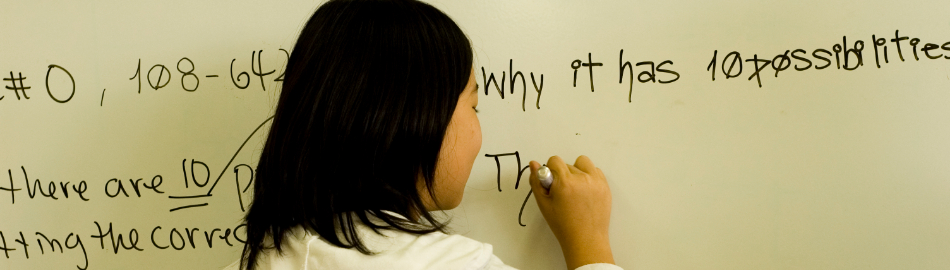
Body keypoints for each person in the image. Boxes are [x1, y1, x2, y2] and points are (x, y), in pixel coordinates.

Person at [225, 0, 620, 269]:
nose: (478, 125)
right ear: (414, 119)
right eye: (473, 105)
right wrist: (589, 241)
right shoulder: (455, 266)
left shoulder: (251, 262)